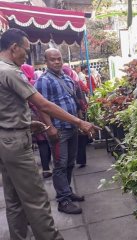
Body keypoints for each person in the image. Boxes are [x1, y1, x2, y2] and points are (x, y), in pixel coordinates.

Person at [0, 28, 98, 240]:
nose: (26, 55)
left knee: (14, 199)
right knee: (36, 199)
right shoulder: (9, 71)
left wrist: (24, 123)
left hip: (7, 138)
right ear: (13, 47)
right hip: (16, 143)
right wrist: (80, 121)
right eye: (25, 51)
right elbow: (43, 104)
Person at [35, 48, 94, 215]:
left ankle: (67, 191)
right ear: (46, 61)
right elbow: (42, 107)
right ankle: (63, 200)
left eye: (59, 59)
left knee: (69, 162)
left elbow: (73, 99)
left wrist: (80, 119)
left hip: (72, 127)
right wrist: (49, 128)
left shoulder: (67, 78)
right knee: (60, 165)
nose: (56, 62)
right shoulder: (43, 81)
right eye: (52, 59)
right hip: (58, 130)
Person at [21, 64, 52, 179]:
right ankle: (46, 167)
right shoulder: (33, 83)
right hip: (39, 116)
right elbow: (41, 103)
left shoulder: (19, 83)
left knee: (39, 143)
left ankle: (44, 168)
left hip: (25, 118)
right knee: (45, 141)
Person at [63, 65, 88, 168]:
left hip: (64, 117)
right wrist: (82, 111)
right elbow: (81, 97)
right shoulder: (74, 82)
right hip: (77, 114)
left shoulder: (61, 83)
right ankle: (81, 160)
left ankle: (70, 161)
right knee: (80, 138)